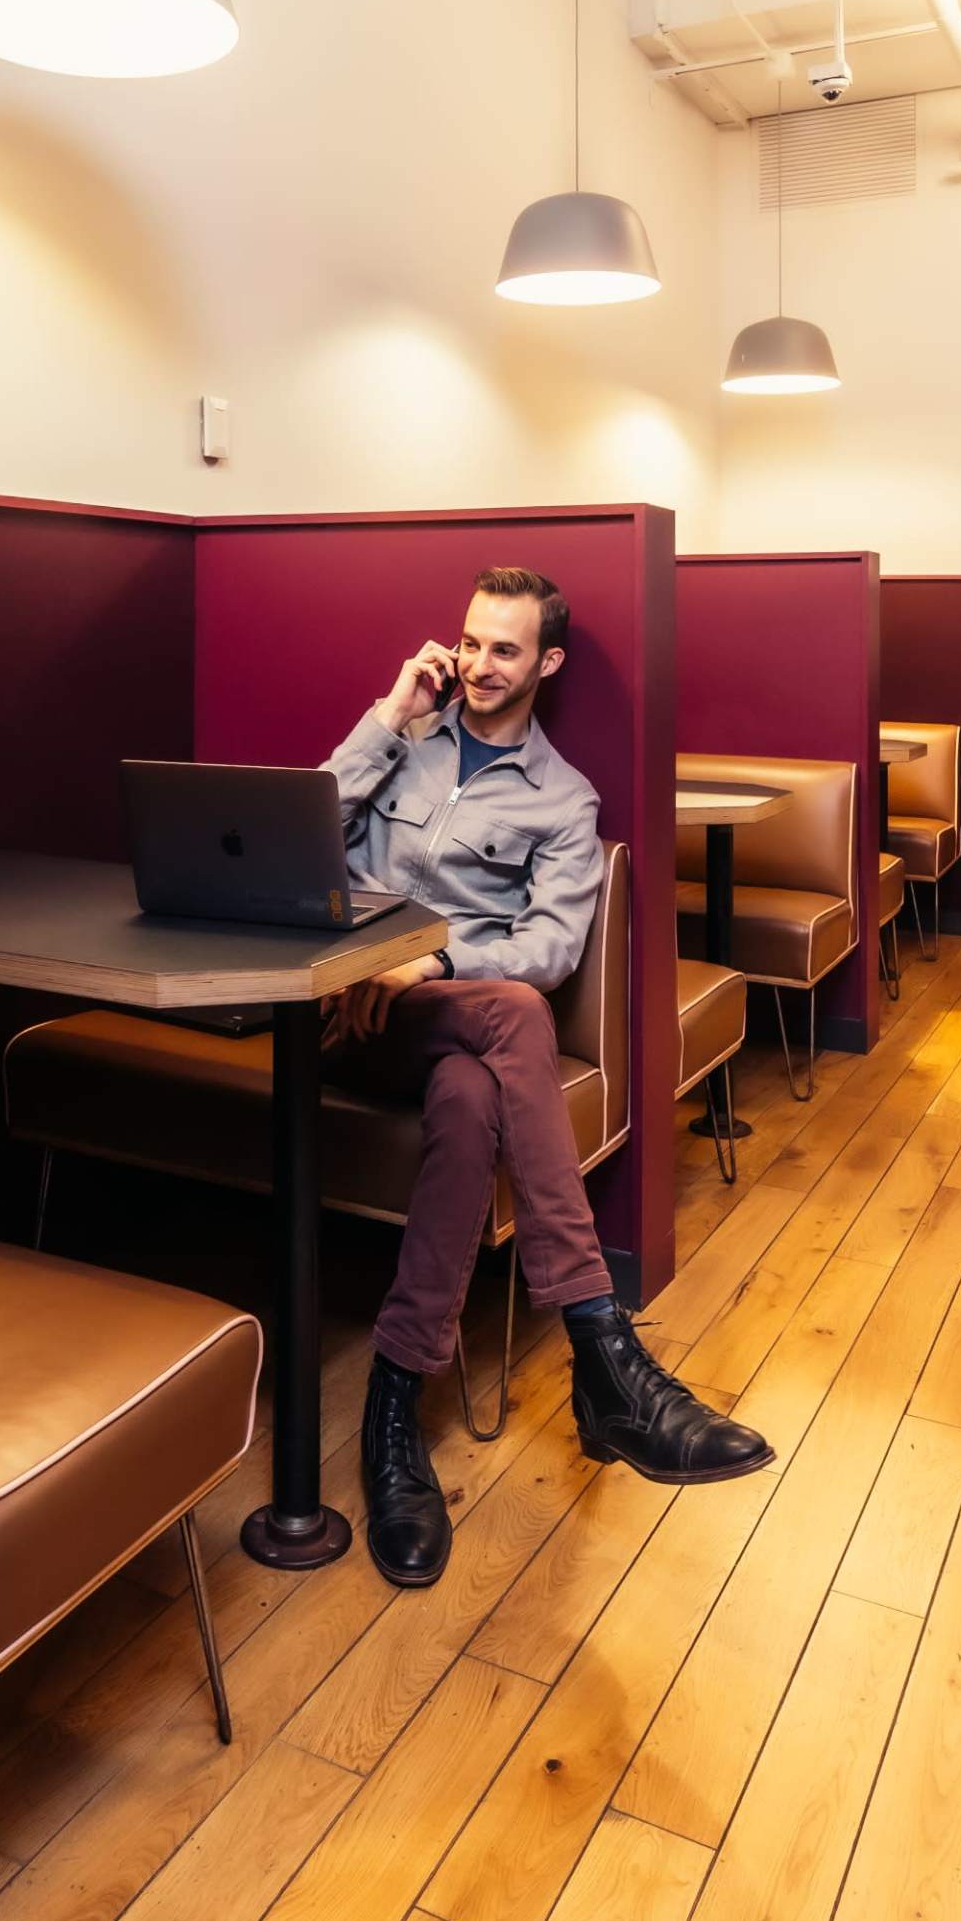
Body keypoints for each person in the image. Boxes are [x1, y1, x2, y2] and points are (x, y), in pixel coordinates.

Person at [320, 565, 772, 1589]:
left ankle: (393, 1406)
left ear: (546, 663)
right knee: (512, 1018)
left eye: (505, 649)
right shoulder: (401, 743)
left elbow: (554, 949)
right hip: (345, 1016)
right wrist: (392, 714)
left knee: (483, 1077)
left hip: (447, 1022)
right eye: (471, 642)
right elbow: (306, 828)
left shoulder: (565, 799)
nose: (479, 664)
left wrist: (433, 964)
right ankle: (605, 1352)